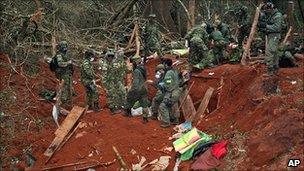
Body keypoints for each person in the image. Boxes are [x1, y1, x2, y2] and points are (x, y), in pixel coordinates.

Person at [258, 0, 284, 76]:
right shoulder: (270, 15)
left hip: (275, 35)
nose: (266, 10)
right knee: (274, 52)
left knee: (269, 51)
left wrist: (266, 26)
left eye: (267, 8)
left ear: (271, 7)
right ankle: (275, 69)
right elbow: (267, 23)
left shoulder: (277, 15)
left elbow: (277, 27)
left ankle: (270, 71)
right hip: (271, 35)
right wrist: (262, 26)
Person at [123, 55, 149, 123]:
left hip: (138, 89)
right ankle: (145, 118)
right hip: (144, 88)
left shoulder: (136, 71)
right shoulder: (143, 68)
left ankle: (127, 112)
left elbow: (136, 83)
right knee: (144, 104)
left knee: (129, 98)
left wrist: (131, 90)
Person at [101, 49, 127, 114]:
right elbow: (104, 77)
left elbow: (117, 72)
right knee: (110, 95)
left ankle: (117, 107)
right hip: (108, 83)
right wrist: (105, 86)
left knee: (115, 94)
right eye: (109, 56)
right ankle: (112, 109)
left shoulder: (111, 63)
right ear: (107, 57)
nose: (110, 58)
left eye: (112, 56)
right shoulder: (105, 65)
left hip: (113, 81)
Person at [159, 59, 181, 128]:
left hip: (172, 92)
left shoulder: (168, 73)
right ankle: (175, 120)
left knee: (163, 106)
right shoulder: (175, 71)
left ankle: (166, 122)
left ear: (166, 65)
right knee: (174, 105)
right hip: (177, 92)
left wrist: (162, 85)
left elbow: (168, 84)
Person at [54, 41, 74, 106]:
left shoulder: (66, 54)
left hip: (68, 73)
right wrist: (68, 63)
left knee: (69, 88)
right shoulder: (59, 55)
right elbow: (60, 64)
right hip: (63, 74)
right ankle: (63, 102)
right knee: (64, 88)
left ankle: (68, 102)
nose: (65, 48)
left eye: (66, 46)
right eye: (64, 46)